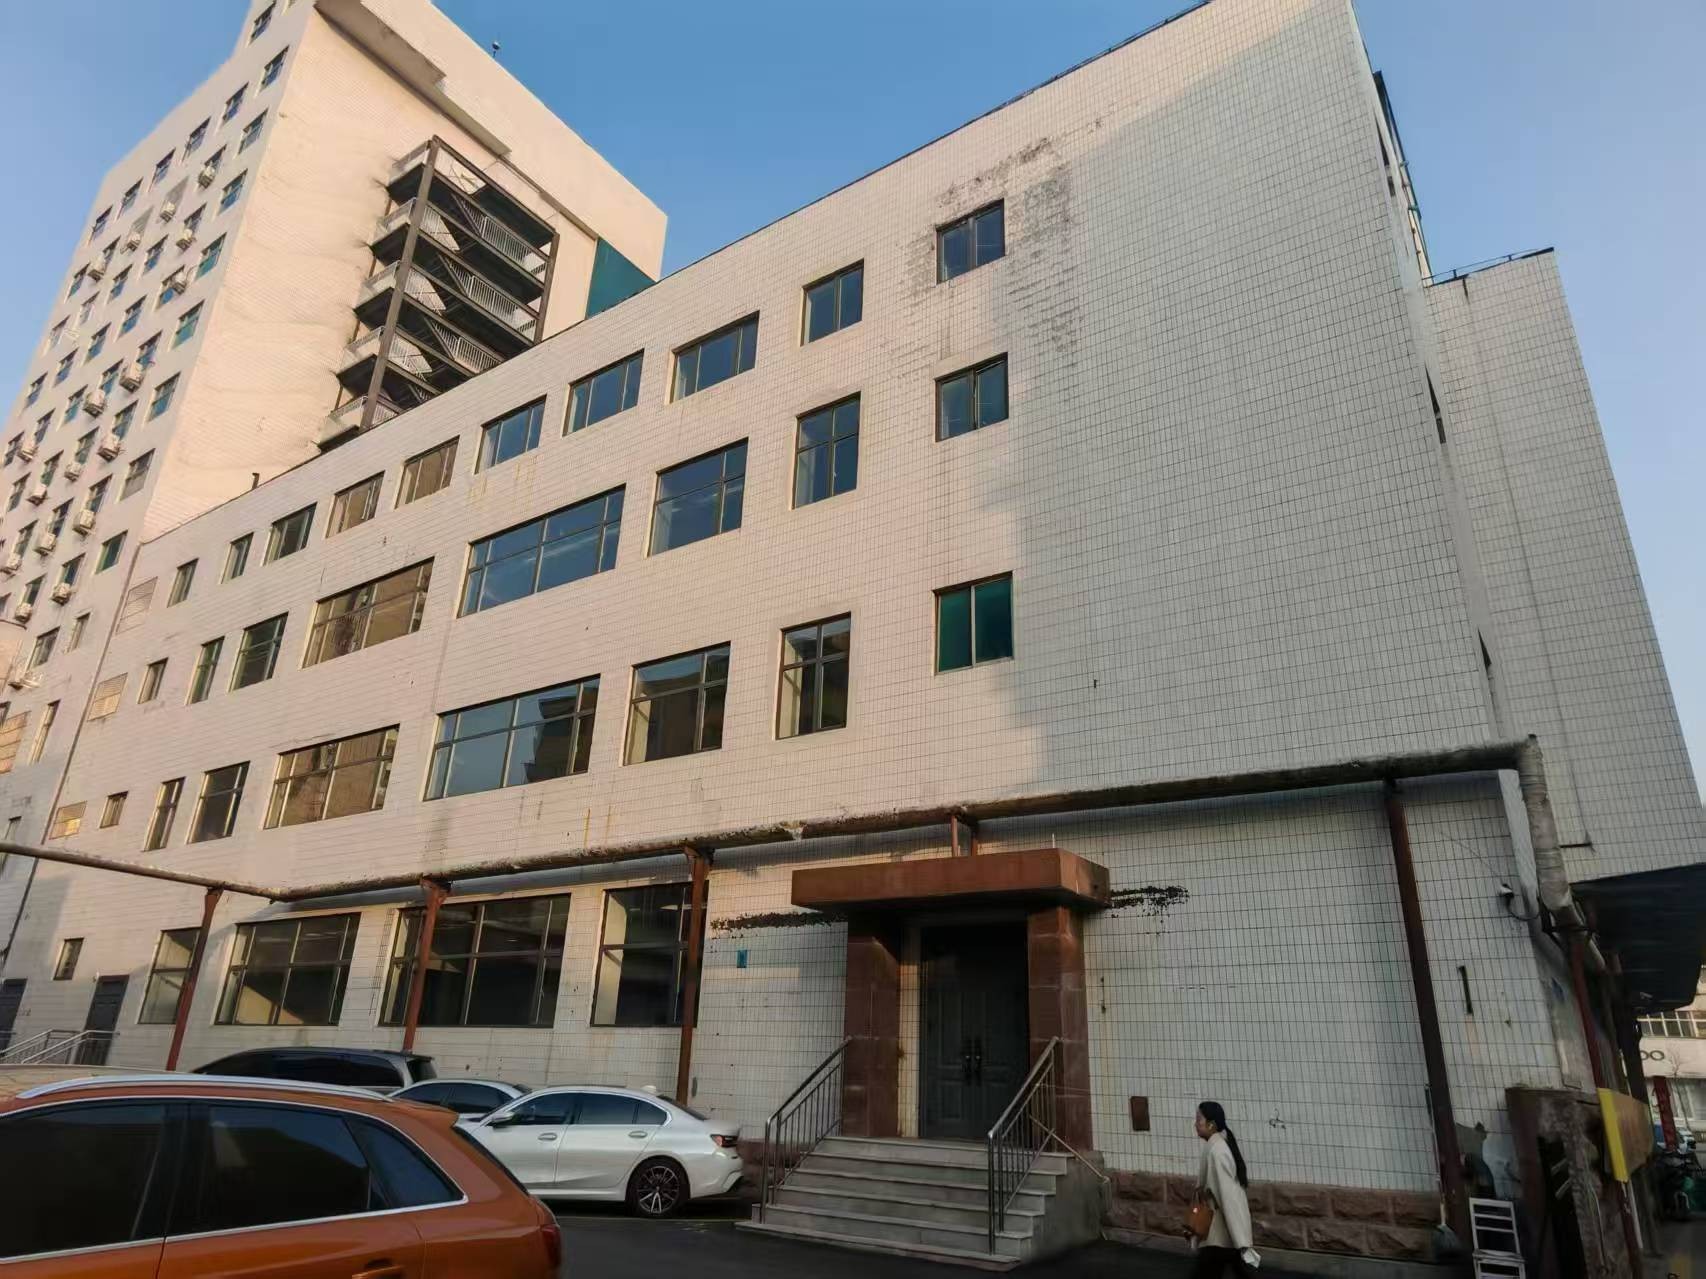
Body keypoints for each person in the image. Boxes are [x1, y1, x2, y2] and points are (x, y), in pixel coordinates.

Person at [1193, 1101, 1260, 1276]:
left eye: (1199, 1119)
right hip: (1221, 1233)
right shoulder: (1217, 1146)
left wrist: (1241, 1240)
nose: (1195, 1124)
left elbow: (1229, 1197)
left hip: (1219, 1234)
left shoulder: (1217, 1152)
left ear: (1211, 1124)